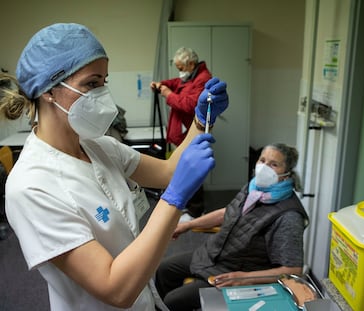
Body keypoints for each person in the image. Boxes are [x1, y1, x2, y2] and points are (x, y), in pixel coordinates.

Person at [0, 23, 228, 311]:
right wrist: (174, 200)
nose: (102, 94)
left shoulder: (99, 146)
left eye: (103, 82)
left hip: (145, 299)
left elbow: (168, 171)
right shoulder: (31, 186)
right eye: (91, 83)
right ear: (49, 91)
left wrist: (200, 121)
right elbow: (116, 289)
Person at [155, 143, 309, 311]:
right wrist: (188, 224)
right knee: (163, 270)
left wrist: (244, 279)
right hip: (213, 254)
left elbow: (293, 270)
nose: (264, 168)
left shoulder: (289, 216)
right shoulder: (254, 188)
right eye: (262, 160)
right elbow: (228, 212)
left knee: (174, 300)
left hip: (236, 272)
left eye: (274, 164)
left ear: (287, 174)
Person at [150, 47, 212, 219]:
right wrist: (161, 84)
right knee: (184, 168)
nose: (179, 72)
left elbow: (188, 104)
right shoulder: (189, 77)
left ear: (191, 64)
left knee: (193, 168)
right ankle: (189, 205)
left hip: (192, 133)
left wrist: (168, 94)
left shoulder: (203, 80)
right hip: (184, 133)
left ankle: (196, 211)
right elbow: (175, 83)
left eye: (181, 68)